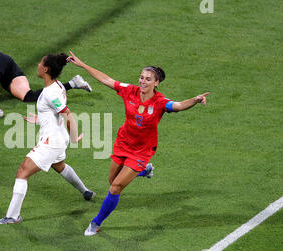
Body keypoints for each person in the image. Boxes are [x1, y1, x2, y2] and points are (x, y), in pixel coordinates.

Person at [66, 51, 209, 236]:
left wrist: (195, 100)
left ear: (156, 83)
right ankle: (144, 171)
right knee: (112, 181)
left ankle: (96, 222)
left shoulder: (160, 102)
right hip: (123, 142)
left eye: (148, 79)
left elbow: (179, 106)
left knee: (115, 187)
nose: (142, 81)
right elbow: (107, 80)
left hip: (141, 151)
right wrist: (83, 64)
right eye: (141, 77)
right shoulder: (129, 90)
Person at [0, 53, 96, 225]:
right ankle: (85, 191)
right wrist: (41, 119)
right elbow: (55, 113)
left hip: (52, 142)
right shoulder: (57, 86)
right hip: (58, 137)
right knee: (59, 166)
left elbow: (67, 114)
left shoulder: (50, 93)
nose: (38, 65)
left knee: (22, 171)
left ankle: (12, 216)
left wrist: (74, 138)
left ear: (46, 69)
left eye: (40, 63)